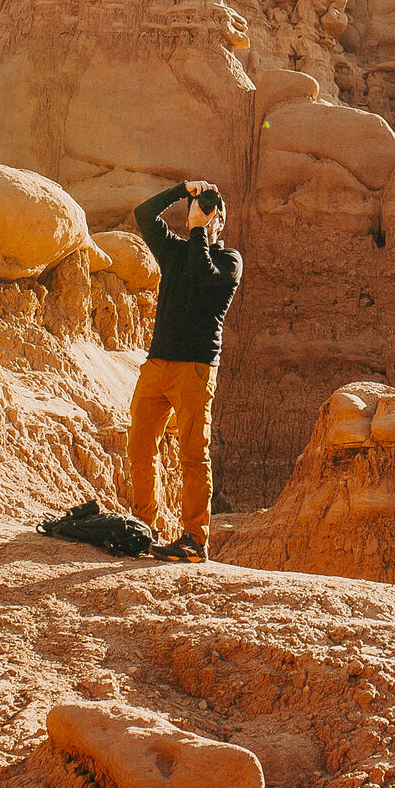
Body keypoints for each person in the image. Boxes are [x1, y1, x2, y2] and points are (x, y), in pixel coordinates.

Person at [126, 178, 243, 562]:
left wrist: (197, 230)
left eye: (213, 214)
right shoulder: (175, 251)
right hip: (157, 363)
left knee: (193, 456)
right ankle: (144, 527)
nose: (207, 217)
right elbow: (143, 215)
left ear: (220, 223)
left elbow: (200, 274)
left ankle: (194, 539)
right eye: (203, 211)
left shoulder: (230, 262)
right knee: (141, 447)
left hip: (195, 369)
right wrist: (182, 190)